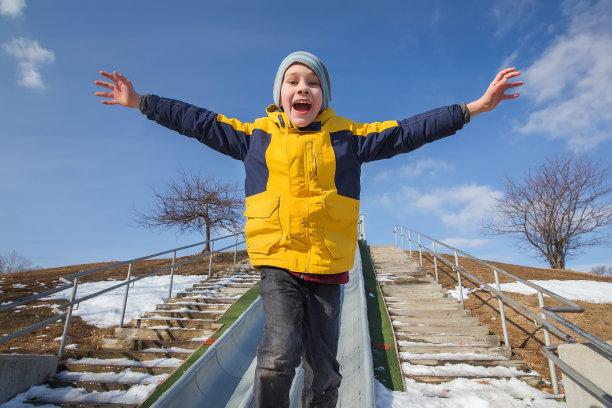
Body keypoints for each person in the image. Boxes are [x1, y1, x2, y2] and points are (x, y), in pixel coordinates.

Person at [95, 51, 522, 408]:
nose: (303, 88)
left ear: (324, 97)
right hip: (278, 263)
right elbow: (199, 121)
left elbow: (408, 132)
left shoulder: (349, 138)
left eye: (312, 83)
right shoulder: (254, 137)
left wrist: (472, 108)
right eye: (293, 81)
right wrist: (142, 102)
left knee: (325, 374)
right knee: (279, 356)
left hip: (327, 270)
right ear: (280, 95)